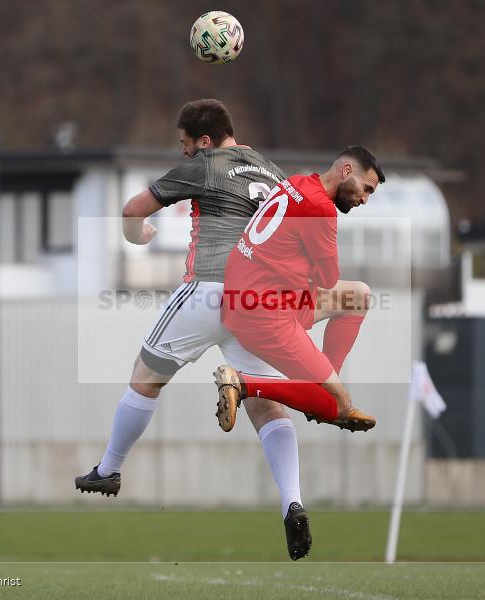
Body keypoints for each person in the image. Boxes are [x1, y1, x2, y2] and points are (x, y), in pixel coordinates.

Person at [75, 99, 312, 560]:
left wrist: (138, 236)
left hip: (210, 288)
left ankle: (109, 468)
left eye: (185, 143)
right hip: (260, 300)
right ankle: (293, 502)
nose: (184, 152)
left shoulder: (206, 164)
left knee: (145, 377)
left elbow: (131, 210)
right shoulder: (270, 170)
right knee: (264, 405)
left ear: (204, 140)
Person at [213, 146, 384, 434]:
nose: (365, 199)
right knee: (336, 404)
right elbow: (328, 279)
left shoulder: (296, 182)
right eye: (366, 189)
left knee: (359, 295)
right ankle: (242, 384)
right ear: (346, 171)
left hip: (246, 299)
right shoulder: (321, 209)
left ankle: (322, 381)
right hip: (265, 316)